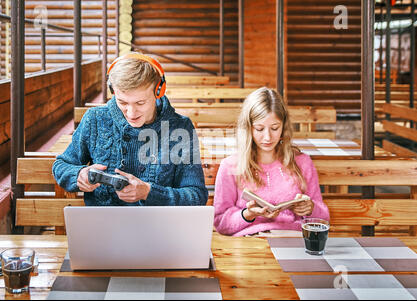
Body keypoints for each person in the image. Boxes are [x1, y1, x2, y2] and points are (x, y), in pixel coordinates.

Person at [52, 52, 208, 206]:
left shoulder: (180, 127)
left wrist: (148, 192)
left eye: (140, 103)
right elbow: (61, 165)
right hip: (103, 226)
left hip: (159, 227)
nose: (131, 113)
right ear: (113, 91)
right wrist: (78, 175)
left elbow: (196, 195)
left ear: (158, 92)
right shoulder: (95, 119)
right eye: (123, 103)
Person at [213, 87, 329, 236]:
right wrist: (247, 215)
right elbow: (221, 223)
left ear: (284, 127)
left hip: (293, 238)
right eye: (259, 129)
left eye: (275, 128)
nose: (267, 137)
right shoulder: (231, 166)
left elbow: (323, 218)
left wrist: (311, 208)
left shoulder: (302, 162)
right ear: (248, 129)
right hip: (250, 241)